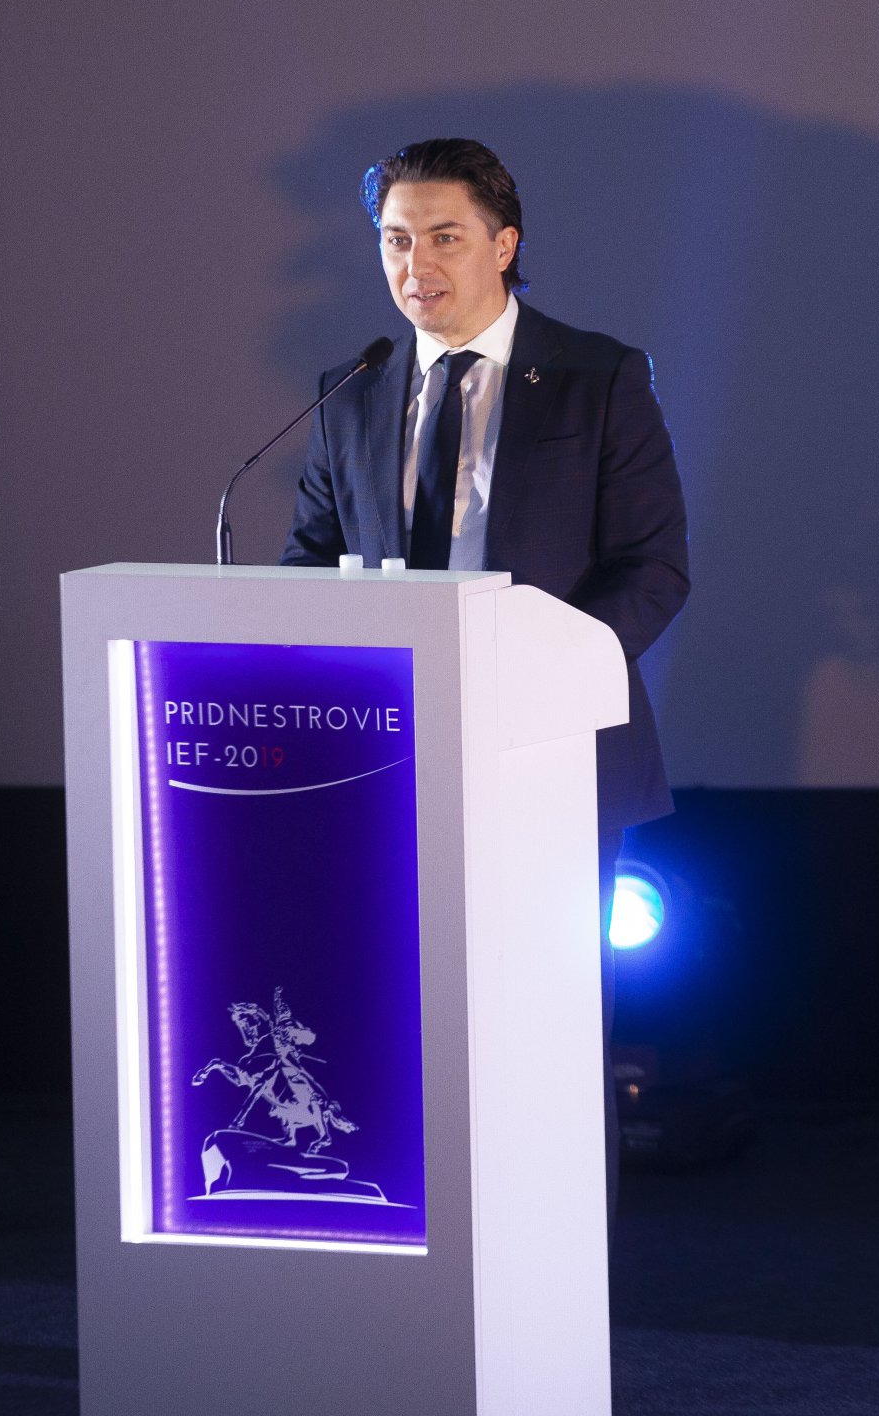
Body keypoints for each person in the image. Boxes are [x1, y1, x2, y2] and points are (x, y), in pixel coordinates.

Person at [280, 137, 689, 1220]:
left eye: (444, 237)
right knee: (392, 1025)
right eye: (393, 240)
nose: (415, 264)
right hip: (383, 765)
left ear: (503, 245)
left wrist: (537, 681)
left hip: (545, 757)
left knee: (545, 1031)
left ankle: (557, 1249)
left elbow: (652, 570)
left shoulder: (597, 377)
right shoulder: (352, 391)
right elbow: (309, 562)